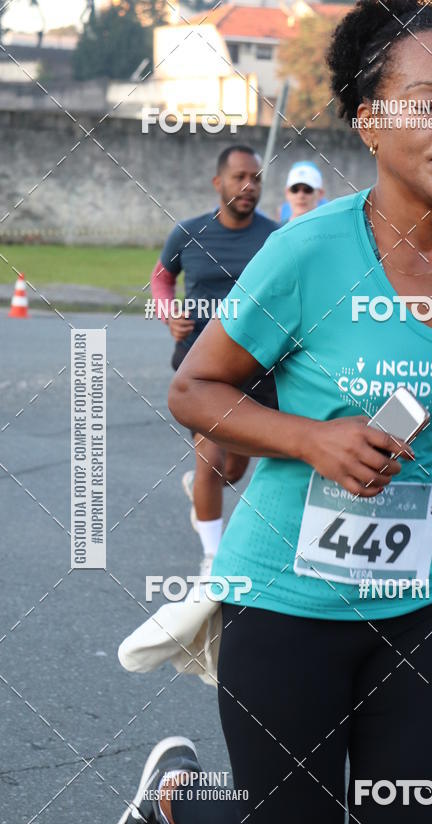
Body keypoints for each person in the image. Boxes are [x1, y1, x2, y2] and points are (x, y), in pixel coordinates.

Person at [112, 4, 432, 824]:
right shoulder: (306, 253)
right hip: (287, 600)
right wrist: (311, 439)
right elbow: (195, 391)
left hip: (429, 601)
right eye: (426, 101)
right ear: (369, 120)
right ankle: (177, 797)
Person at [151, 145, 279, 575]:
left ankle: (202, 491)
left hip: (257, 368)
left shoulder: (274, 237)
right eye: (240, 176)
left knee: (235, 466)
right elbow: (161, 277)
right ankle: (212, 559)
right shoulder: (187, 233)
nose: (249, 186)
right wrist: (169, 315)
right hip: (201, 367)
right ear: (218, 183)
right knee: (212, 459)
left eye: (257, 178)